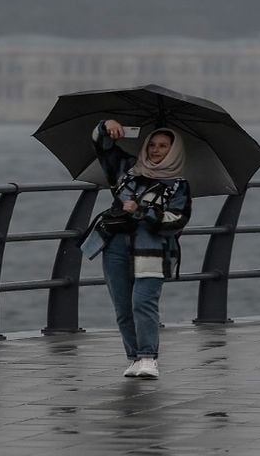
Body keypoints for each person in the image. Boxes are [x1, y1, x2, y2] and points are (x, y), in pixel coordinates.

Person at [84, 118, 191, 379]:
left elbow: (177, 219)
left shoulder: (179, 186)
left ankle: (148, 357)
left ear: (174, 151)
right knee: (122, 306)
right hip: (116, 246)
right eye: (152, 144)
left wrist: (143, 211)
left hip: (152, 250)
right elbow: (102, 146)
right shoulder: (127, 170)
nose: (155, 150)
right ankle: (133, 357)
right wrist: (106, 125)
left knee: (143, 302)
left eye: (163, 146)